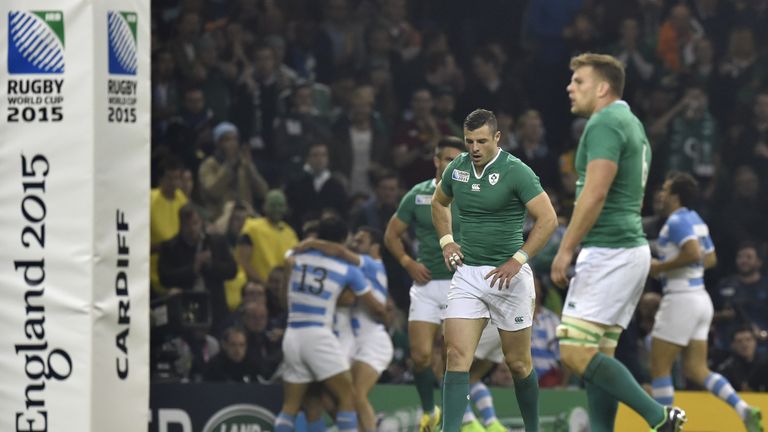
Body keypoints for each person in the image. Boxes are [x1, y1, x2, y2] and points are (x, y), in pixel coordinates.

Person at [550, 53, 684, 432]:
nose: (570, 87)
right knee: (598, 356)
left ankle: (660, 418)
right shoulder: (632, 123)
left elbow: (594, 194)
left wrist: (565, 248)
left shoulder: (605, 121)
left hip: (610, 250)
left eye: (579, 81)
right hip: (628, 249)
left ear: (603, 87)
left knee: (574, 353)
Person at [432, 109, 558, 432]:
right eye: (469, 141)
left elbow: (548, 220)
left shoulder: (516, 171)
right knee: (456, 355)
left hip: (509, 278)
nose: (474, 148)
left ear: (497, 138)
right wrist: (447, 240)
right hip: (469, 274)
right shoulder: (457, 169)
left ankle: (533, 429)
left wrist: (519, 259)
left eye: (482, 141)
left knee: (518, 364)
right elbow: (439, 202)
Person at [384, 136, 508, 432]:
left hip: (462, 285)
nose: (451, 163)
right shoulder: (417, 195)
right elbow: (391, 235)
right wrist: (408, 263)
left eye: (457, 158)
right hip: (427, 286)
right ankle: (431, 410)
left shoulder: (474, 192)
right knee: (420, 356)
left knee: (452, 358)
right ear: (436, 161)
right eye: (446, 159)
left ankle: (455, 421)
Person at [648, 172, 763, 431]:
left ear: (676, 195)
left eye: (665, 190)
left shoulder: (675, 222)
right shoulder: (695, 219)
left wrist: (661, 267)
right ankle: (743, 409)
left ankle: (666, 426)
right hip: (700, 298)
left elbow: (693, 252)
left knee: (659, 366)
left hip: (680, 300)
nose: (661, 195)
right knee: (696, 368)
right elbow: (709, 259)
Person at [274, 217, 385, 432]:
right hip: (318, 336)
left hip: (292, 335)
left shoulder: (294, 257)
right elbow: (373, 305)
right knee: (349, 396)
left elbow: (283, 299)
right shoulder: (347, 269)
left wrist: (310, 243)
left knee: (292, 406)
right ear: (343, 240)